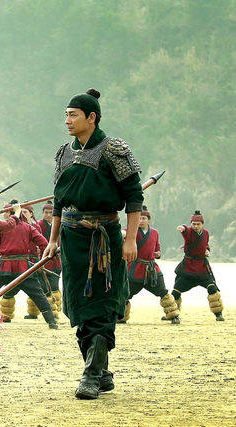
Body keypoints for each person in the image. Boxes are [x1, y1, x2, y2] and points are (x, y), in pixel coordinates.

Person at [44, 88, 144, 399]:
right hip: (73, 239)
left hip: (105, 238)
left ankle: (90, 374)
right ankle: (101, 369)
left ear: (92, 117)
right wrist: (53, 239)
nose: (67, 121)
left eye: (72, 115)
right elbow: (59, 201)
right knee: (79, 305)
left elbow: (134, 198)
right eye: (65, 115)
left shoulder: (114, 149)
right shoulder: (63, 153)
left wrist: (129, 239)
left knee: (101, 304)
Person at [0, 200, 57, 329]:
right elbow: (44, 244)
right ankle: (51, 322)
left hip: (5, 265)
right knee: (38, 294)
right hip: (22, 267)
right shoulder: (28, 227)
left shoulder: (4, 227)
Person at [122, 206, 180, 324]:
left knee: (163, 292)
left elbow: (157, 248)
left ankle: (173, 315)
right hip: (135, 269)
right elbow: (123, 234)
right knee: (126, 294)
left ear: (149, 219)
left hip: (152, 270)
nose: (141, 220)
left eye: (144, 218)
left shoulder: (154, 233)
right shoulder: (130, 231)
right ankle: (121, 317)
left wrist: (157, 254)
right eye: (138, 218)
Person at [171, 210, 224, 321]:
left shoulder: (206, 233)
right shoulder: (189, 232)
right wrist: (183, 228)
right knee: (175, 291)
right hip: (188, 268)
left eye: (198, 224)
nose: (195, 226)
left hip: (202, 268)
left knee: (213, 289)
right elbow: (186, 230)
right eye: (193, 224)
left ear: (202, 224)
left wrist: (207, 250)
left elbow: (206, 244)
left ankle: (218, 314)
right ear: (191, 224)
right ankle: (173, 315)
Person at [32, 201, 62, 319]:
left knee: (54, 286)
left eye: (51, 212)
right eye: (46, 212)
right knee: (42, 287)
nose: (48, 215)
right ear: (42, 213)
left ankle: (56, 311)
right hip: (43, 260)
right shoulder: (39, 225)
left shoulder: (58, 224)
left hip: (56, 261)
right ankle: (38, 312)